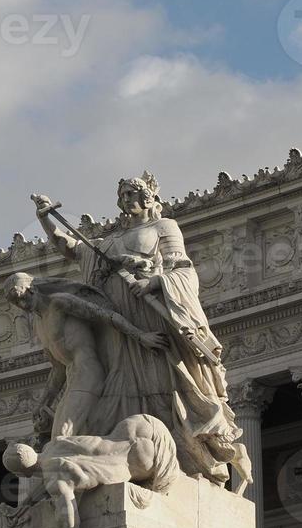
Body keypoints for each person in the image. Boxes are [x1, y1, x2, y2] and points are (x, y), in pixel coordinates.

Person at [31, 175, 247, 487]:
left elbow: (182, 269)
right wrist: (46, 219)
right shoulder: (108, 240)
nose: (126, 199)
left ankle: (186, 458)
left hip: (151, 313)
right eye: (122, 194)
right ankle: (130, 455)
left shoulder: (164, 227)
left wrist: (155, 282)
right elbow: (74, 249)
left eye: (132, 193)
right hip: (119, 326)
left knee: (167, 381)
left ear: (147, 197)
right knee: (121, 385)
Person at [4, 272, 167, 438]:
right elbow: (59, 368)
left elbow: (106, 315)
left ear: (32, 289)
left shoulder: (59, 302)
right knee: (58, 438)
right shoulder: (39, 325)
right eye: (16, 302)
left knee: (63, 435)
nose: (21, 304)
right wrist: (44, 402)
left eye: (21, 297)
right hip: (73, 378)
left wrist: (140, 336)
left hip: (88, 373)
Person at [3, 414, 181, 528]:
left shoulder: (54, 481)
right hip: (144, 425)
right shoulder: (54, 445)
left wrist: (54, 511)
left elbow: (71, 527)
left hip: (142, 463)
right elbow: (54, 467)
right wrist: (27, 503)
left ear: (23, 474)